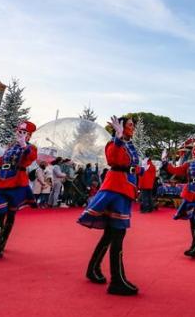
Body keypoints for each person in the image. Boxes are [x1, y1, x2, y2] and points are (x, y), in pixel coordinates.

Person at [77, 115, 142, 296]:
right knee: (118, 234)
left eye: (132, 126)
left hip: (125, 188)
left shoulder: (130, 145)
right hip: (116, 189)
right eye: (129, 125)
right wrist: (119, 137)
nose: (132, 128)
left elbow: (131, 166)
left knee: (110, 234)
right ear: (119, 128)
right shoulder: (114, 143)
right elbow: (113, 159)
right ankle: (117, 280)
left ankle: (93, 269)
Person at [0, 121, 38, 261]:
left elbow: (31, 159)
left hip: (17, 182)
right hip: (2, 180)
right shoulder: (10, 147)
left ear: (29, 135)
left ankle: (1, 246)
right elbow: (1, 161)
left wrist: (24, 145)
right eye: (19, 132)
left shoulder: (31, 148)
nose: (20, 135)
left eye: (24, 133)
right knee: (0, 213)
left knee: (11, 213)